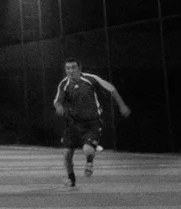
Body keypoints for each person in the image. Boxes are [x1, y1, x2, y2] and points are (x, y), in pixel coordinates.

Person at [53, 58, 130, 188]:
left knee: (87, 149)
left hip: (92, 123)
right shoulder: (64, 84)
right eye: (68, 68)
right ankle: (71, 180)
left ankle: (89, 161)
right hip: (72, 123)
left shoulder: (90, 79)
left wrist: (122, 105)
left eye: (73, 68)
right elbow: (57, 100)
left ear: (79, 68)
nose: (70, 71)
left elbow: (111, 89)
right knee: (67, 154)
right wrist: (58, 106)